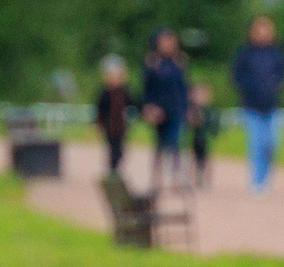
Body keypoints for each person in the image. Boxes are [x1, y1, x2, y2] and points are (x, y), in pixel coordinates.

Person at [230, 16, 284, 194]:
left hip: (272, 105)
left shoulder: (276, 53)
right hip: (252, 105)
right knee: (256, 144)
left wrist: (275, 84)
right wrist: (249, 87)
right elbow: (236, 76)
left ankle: (266, 177)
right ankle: (257, 180)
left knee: (271, 144)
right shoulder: (245, 53)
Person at [140, 29, 189, 192]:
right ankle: (157, 179)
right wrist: (149, 107)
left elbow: (183, 88)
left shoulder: (179, 63)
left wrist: (188, 108)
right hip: (158, 111)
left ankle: (176, 179)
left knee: (175, 143)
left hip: (175, 109)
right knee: (159, 145)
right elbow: (147, 89)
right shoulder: (152, 64)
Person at [94, 56, 135, 177]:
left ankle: (115, 168)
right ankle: (113, 170)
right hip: (109, 126)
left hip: (121, 126)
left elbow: (133, 104)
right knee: (113, 149)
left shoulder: (124, 91)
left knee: (120, 150)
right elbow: (100, 109)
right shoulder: (105, 93)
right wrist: (99, 124)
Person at [188, 80, 220, 188]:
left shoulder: (209, 111)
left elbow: (214, 128)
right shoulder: (191, 110)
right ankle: (192, 180)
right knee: (192, 160)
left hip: (205, 141)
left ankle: (206, 181)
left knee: (206, 161)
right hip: (193, 140)